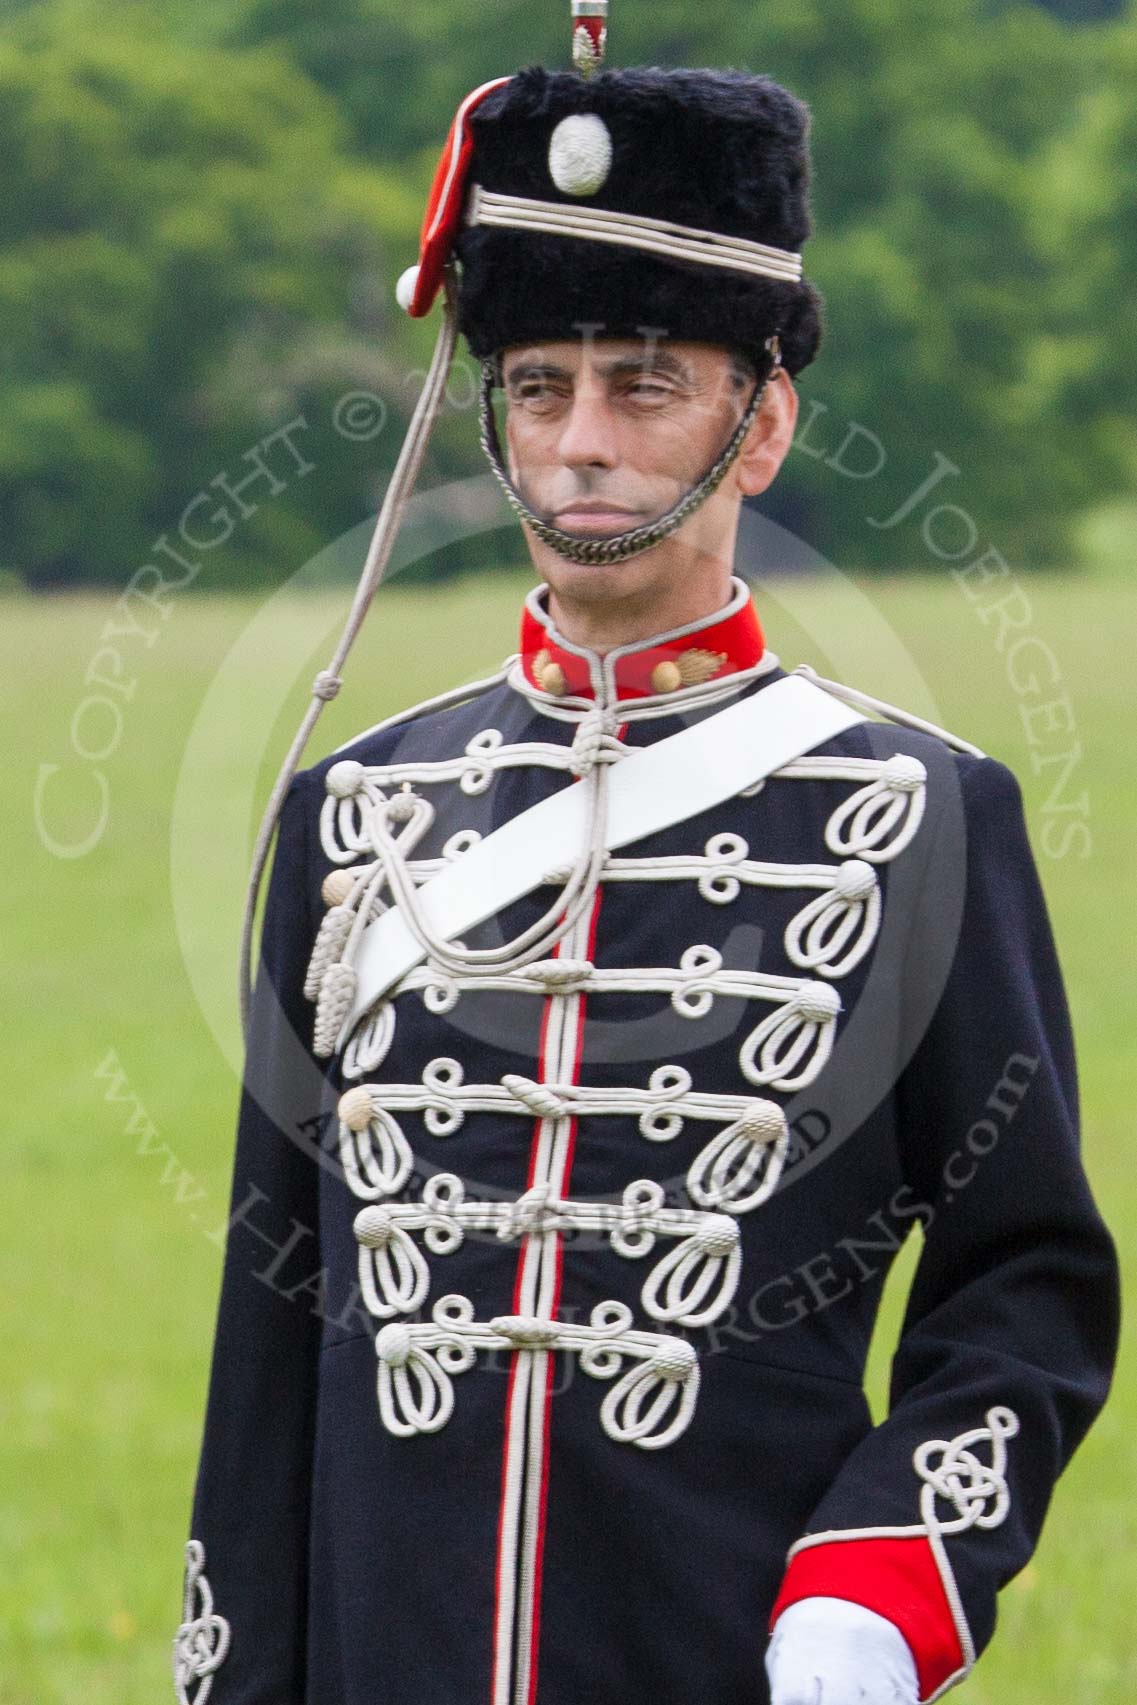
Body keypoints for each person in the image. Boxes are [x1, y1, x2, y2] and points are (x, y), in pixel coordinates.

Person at [172, 28, 1119, 1705]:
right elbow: (270, 1350)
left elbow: (1023, 1292)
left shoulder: (921, 813)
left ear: (759, 429)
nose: (582, 445)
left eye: (645, 384)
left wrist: (877, 1590)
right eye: (538, 387)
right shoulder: (355, 814)